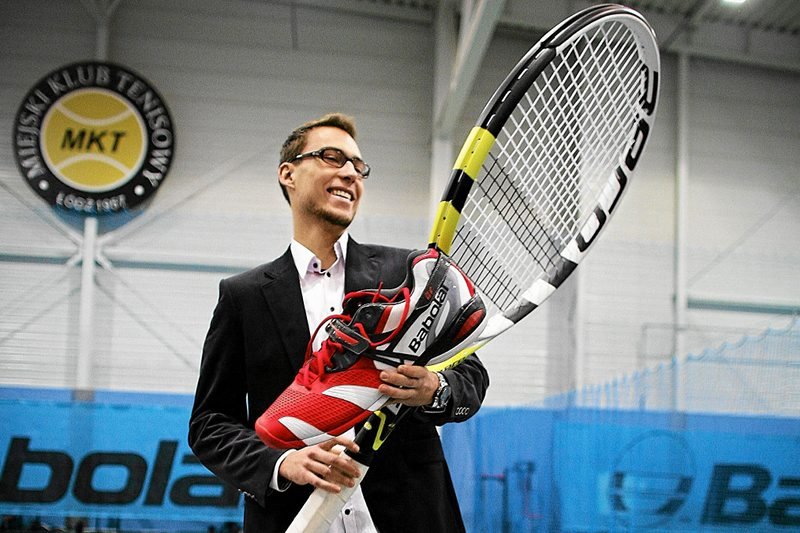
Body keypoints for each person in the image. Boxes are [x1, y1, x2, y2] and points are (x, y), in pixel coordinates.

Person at [188, 113, 489, 532]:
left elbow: (470, 374)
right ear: (288, 174)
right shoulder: (244, 296)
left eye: (358, 166)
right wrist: (281, 462)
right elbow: (210, 424)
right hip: (293, 516)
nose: (350, 173)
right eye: (332, 157)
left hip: (412, 515)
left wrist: (433, 389)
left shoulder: (407, 272)